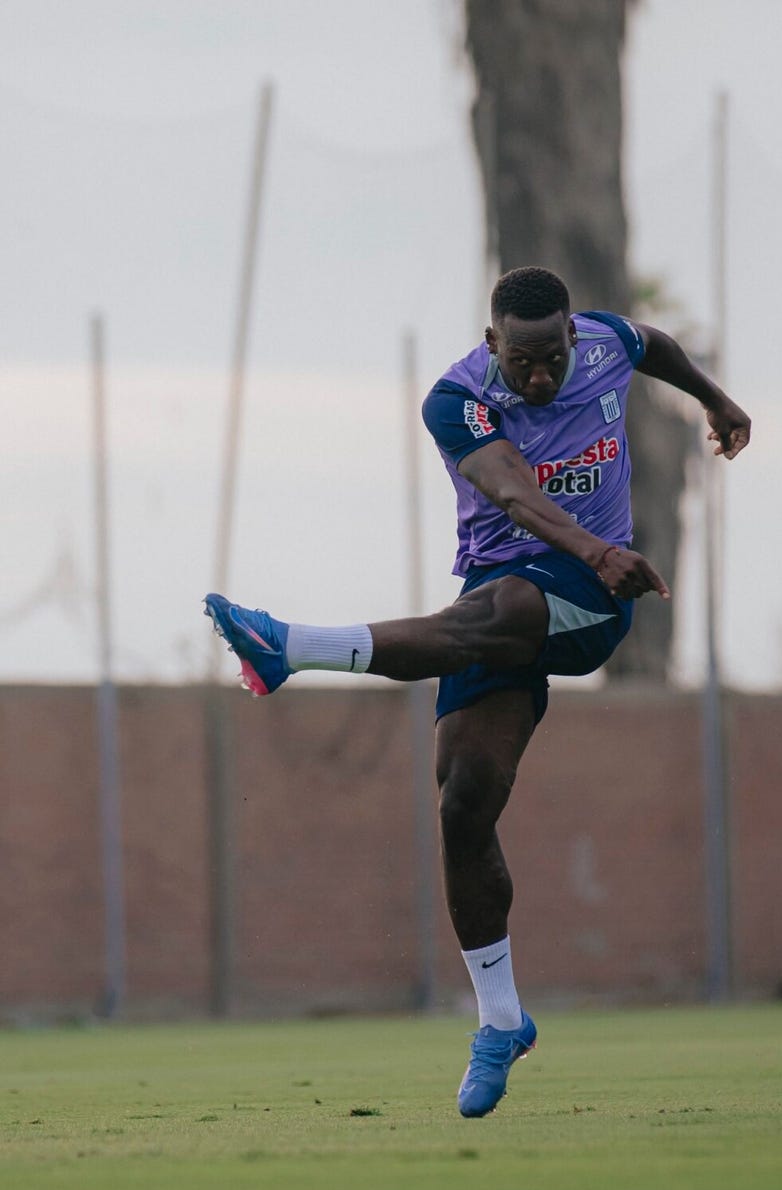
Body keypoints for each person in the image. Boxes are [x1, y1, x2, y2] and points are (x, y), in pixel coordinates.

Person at [204, 265, 751, 1118]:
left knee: (501, 608)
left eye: (555, 357)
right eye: (525, 360)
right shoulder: (455, 400)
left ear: (576, 337)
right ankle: (501, 1021)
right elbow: (509, 489)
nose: (542, 375)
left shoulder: (605, 342)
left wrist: (714, 400)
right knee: (463, 805)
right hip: (505, 594)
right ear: (493, 343)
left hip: (586, 600)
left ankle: (289, 648)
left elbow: (658, 349)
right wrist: (589, 542)